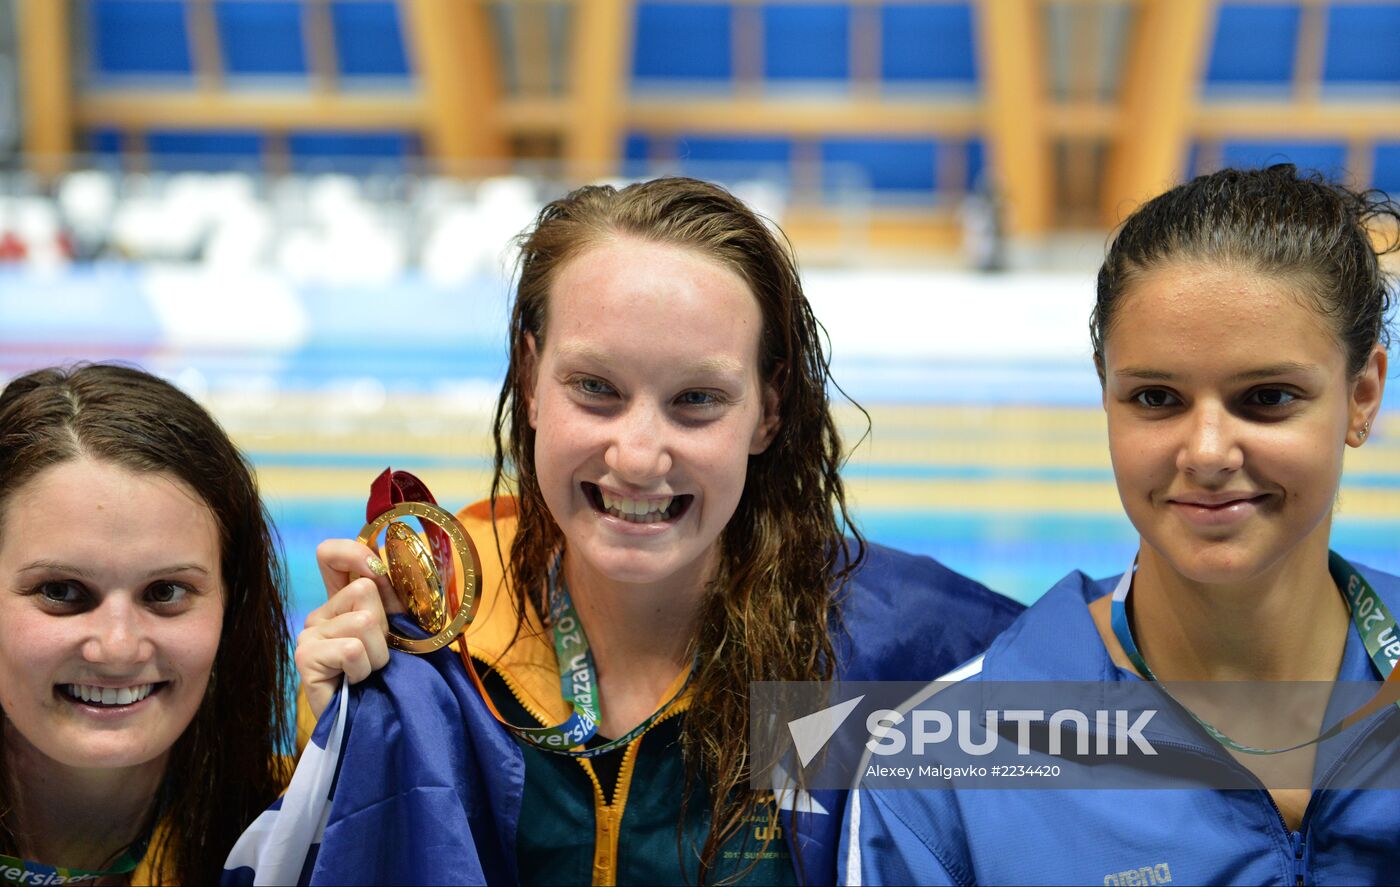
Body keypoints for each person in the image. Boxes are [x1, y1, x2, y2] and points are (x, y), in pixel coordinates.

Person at [290, 176, 1022, 885]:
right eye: (596, 389)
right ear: (531, 373)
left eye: (697, 399)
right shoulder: (444, 637)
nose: (638, 456)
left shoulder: (879, 654)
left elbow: (1121, 755)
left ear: (767, 410)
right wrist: (331, 746)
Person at [841, 164, 1400, 885]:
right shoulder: (946, 765)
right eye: (1157, 397)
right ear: (1106, 393)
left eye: (1267, 397)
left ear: (1362, 396)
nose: (1206, 452)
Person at [0, 364, 293, 885]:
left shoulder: (300, 825)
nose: (117, 647)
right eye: (61, 592)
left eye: (165, 592)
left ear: (232, 606)